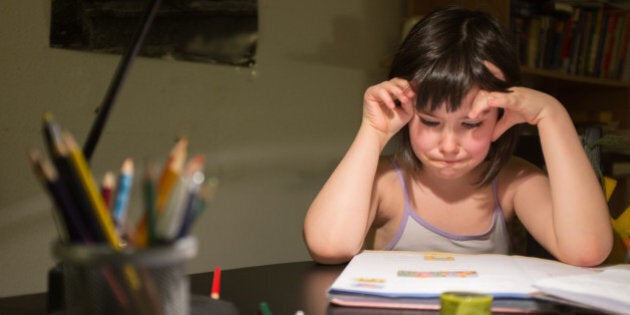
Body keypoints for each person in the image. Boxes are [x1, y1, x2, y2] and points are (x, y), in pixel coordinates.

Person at [303, 6, 613, 267]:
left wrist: (552, 115)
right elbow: (329, 246)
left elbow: (586, 251)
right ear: (407, 110)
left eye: (470, 124)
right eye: (430, 121)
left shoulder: (513, 180)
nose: (449, 146)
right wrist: (373, 131)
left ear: (502, 115)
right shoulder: (387, 182)